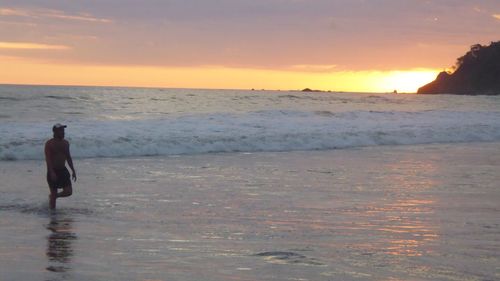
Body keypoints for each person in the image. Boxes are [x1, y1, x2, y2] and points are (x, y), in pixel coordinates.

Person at [45, 123, 77, 210]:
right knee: (53, 199)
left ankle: (53, 196)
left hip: (63, 170)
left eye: (63, 131)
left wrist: (73, 170)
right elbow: (48, 159)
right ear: (55, 132)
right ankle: (53, 217)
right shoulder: (49, 143)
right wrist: (51, 172)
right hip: (53, 171)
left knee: (69, 192)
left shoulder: (66, 143)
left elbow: (68, 157)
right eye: (61, 131)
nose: (63, 133)